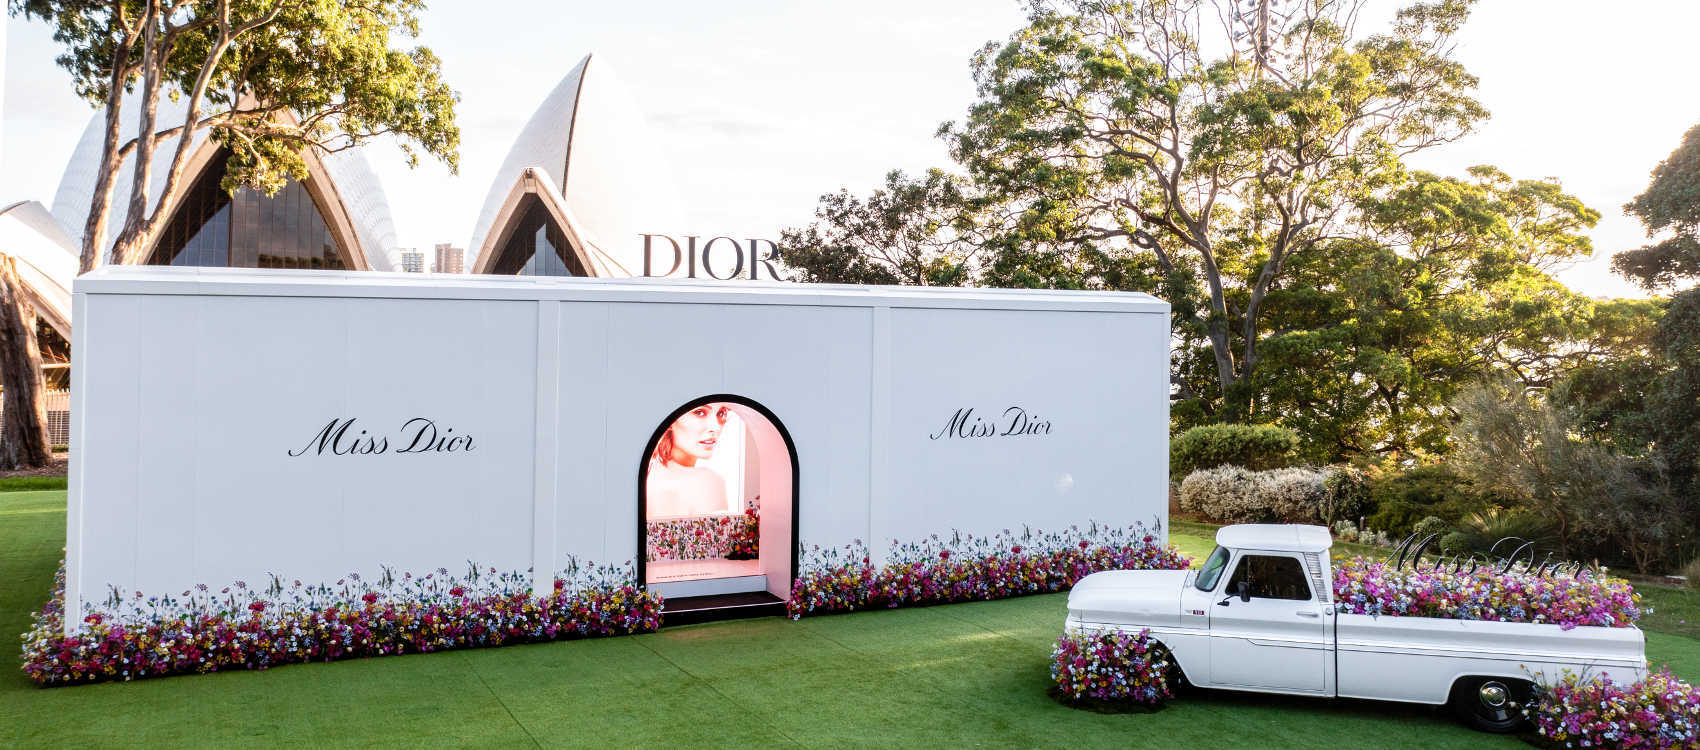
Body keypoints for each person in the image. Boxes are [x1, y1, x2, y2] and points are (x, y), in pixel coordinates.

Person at [646, 403, 730, 517]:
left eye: (721, 413)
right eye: (699, 412)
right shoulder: (709, 480)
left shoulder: (649, 471)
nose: (715, 427)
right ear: (671, 418)